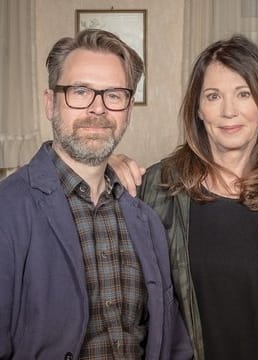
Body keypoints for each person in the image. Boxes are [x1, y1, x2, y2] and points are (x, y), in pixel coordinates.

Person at [112, 35, 258, 360]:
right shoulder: (157, 188)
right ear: (198, 109)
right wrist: (103, 166)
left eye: (243, 94)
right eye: (213, 96)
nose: (229, 111)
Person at [0, 29, 193, 359]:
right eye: (80, 91)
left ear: (129, 108)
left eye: (114, 95)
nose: (97, 109)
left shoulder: (146, 220)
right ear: (50, 103)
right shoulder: (8, 212)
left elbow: (171, 343)